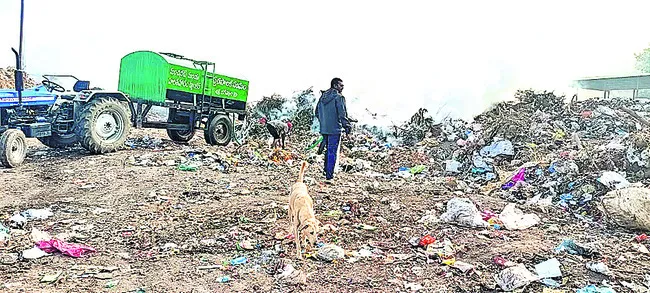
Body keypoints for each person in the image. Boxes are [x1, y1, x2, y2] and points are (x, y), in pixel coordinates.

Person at [315, 77, 351, 183]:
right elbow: (342, 114)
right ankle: (329, 176)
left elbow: (316, 112)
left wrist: (323, 122)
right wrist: (347, 127)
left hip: (324, 128)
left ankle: (326, 171)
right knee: (332, 151)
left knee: (327, 150)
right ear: (335, 85)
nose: (342, 87)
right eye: (341, 85)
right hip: (335, 129)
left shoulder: (322, 97)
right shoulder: (339, 97)